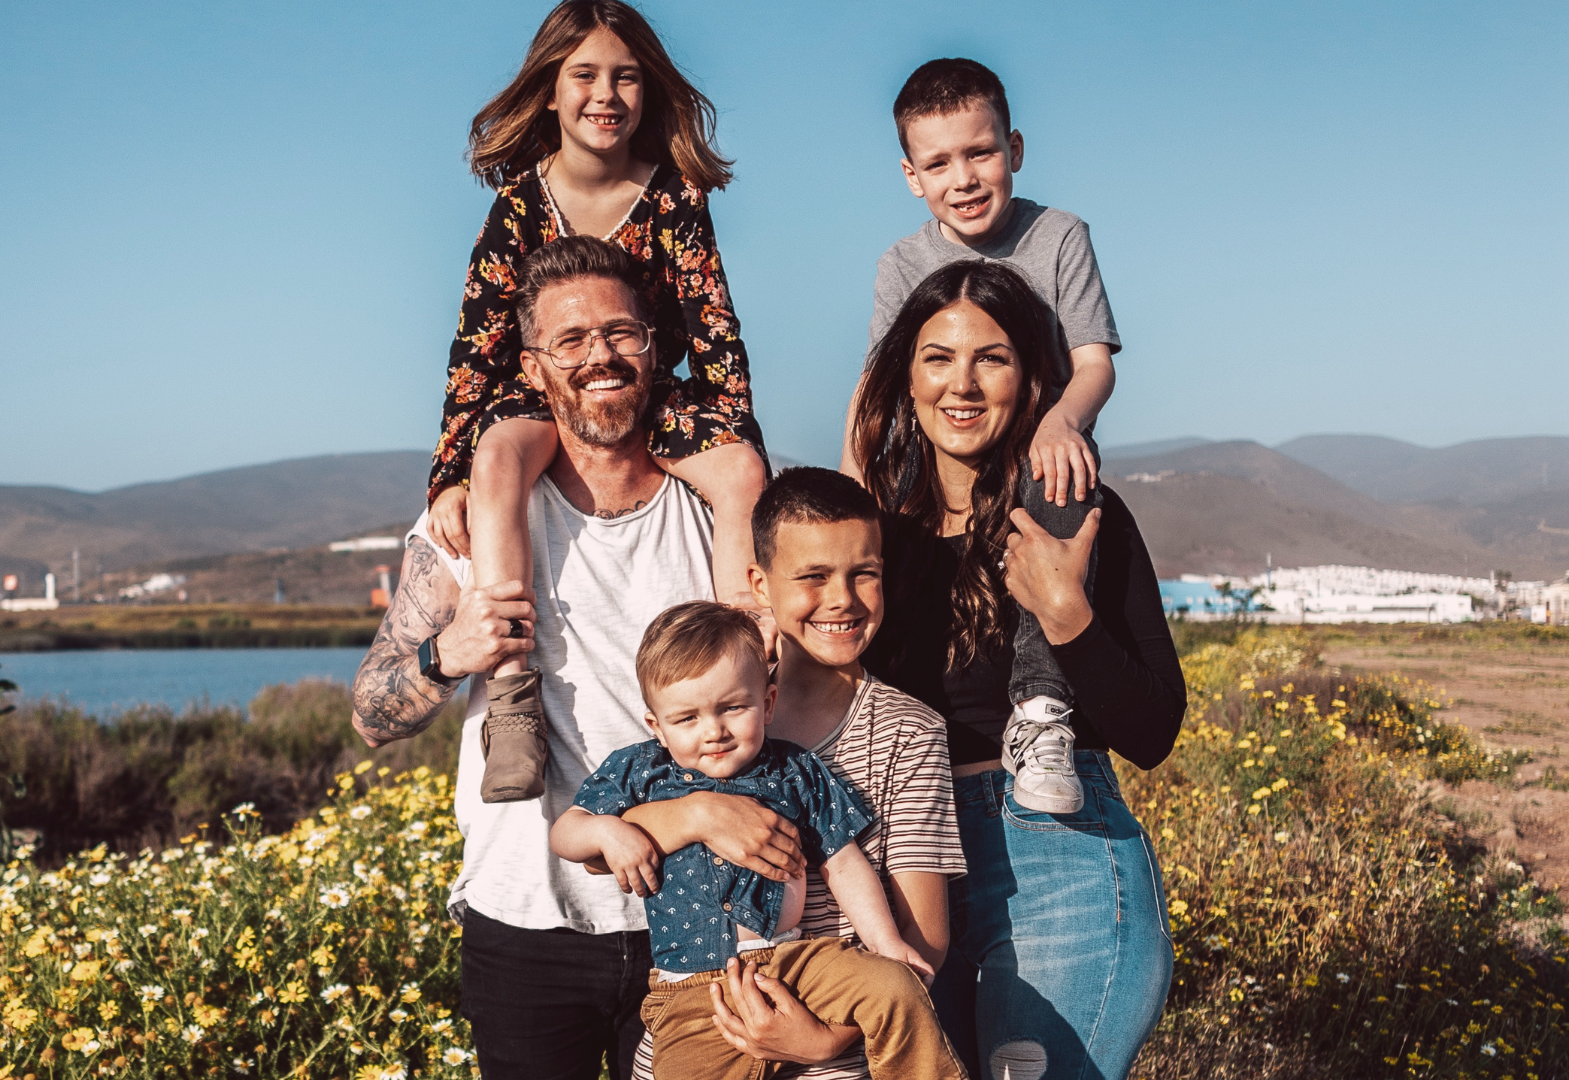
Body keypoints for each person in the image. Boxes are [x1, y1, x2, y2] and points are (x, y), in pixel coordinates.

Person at [351, 235, 725, 1080]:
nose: (601, 356)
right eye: (571, 340)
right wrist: (450, 653)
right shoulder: (470, 529)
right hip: (523, 920)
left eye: (622, 333)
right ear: (533, 367)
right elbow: (371, 713)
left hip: (694, 915)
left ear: (653, 347)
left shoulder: (712, 515)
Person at [426, 0, 768, 805]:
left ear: (649, 90)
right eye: (585, 75)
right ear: (550, 90)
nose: (606, 94)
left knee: (742, 471)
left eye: (626, 76)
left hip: (651, 390)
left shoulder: (676, 197)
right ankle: (513, 697)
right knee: (498, 456)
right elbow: (475, 347)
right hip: (540, 393)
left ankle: (751, 665)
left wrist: (735, 437)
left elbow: (714, 330)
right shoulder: (518, 204)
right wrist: (447, 476)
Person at [852, 259, 1185, 1080]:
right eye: (938, 358)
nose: (961, 385)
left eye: (991, 359)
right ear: (906, 377)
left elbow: (1152, 730)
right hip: (905, 863)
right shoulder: (871, 534)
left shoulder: (1076, 514)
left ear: (1031, 377)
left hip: (1058, 859)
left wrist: (1066, 615)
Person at [841, 58, 1123, 815]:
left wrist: (1063, 419)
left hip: (1039, 458)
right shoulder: (903, 263)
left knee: (1059, 478)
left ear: (1014, 149)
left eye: (980, 153)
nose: (962, 178)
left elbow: (1094, 364)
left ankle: (1040, 711)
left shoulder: (1058, 235)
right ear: (912, 176)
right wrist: (849, 489)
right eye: (938, 163)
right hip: (937, 465)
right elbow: (875, 386)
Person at [624, 467, 970, 1080]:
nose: (842, 599)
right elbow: (606, 849)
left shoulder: (908, 732)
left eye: (865, 573)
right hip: (698, 1029)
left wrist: (822, 1041)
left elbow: (926, 938)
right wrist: (700, 814)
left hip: (836, 1054)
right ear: (759, 583)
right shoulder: (705, 710)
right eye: (813, 576)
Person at [551, 601, 962, 1080]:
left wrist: (885, 941)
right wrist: (606, 829)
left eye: (733, 708)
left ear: (767, 703)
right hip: (694, 991)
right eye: (687, 718)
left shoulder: (795, 770)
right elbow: (567, 832)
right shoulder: (640, 771)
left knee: (895, 987)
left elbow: (844, 864)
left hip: (797, 961)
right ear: (656, 727)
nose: (714, 731)